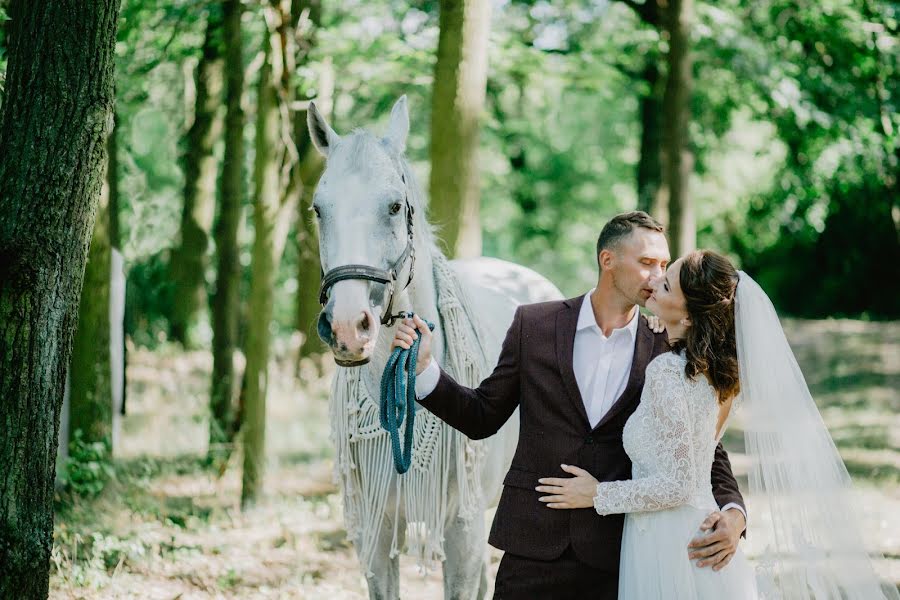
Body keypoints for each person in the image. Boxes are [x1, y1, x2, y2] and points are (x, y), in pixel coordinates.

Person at [392, 212, 748, 599]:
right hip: (532, 547)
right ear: (607, 259)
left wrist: (733, 513)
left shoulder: (668, 347)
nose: (657, 276)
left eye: (664, 266)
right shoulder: (536, 325)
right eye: (647, 263)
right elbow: (482, 415)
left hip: (619, 556)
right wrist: (425, 369)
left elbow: (702, 447)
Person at [535, 250, 898, 599]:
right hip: (692, 531)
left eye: (666, 284)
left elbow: (678, 483)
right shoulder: (720, 377)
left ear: (690, 316)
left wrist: (597, 494)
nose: (656, 280)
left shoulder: (666, 371)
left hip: (671, 544)